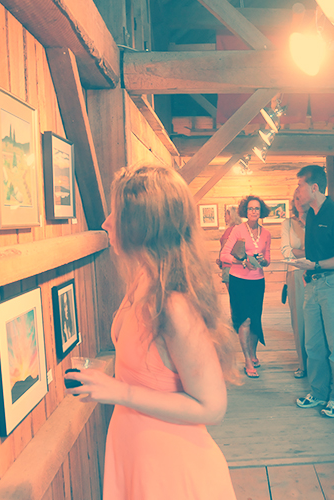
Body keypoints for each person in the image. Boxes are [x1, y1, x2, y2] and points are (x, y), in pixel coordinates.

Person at [65, 163, 237, 499]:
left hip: (170, 467)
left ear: (140, 225)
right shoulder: (143, 279)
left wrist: (118, 392)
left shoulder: (174, 305)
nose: (106, 223)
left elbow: (213, 406)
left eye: (115, 213)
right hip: (137, 448)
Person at [290, 165, 334, 418]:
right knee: (313, 345)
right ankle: (318, 393)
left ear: (314, 187)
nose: (297, 191)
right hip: (314, 284)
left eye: (300, 185)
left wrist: (315, 265)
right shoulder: (312, 215)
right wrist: (309, 269)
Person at [220, 195, 272, 378]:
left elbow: (268, 260)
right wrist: (241, 262)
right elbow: (223, 255)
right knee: (245, 320)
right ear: (245, 211)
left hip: (258, 281)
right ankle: (248, 361)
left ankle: (253, 353)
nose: (253, 211)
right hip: (238, 280)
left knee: (256, 320)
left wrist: (263, 261)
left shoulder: (266, 233)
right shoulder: (237, 230)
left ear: (261, 211)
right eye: (250, 208)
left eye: (257, 208)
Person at [281, 193, 308, 379]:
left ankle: (319, 364)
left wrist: (301, 253)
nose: (300, 202)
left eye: (302, 198)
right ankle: (303, 364)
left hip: (318, 272)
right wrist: (309, 253)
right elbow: (286, 251)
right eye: (296, 199)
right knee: (299, 321)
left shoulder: (316, 221)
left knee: (319, 322)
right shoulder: (287, 224)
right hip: (296, 273)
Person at [217, 206, 242, 290]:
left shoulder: (230, 230)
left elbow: (224, 248)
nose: (224, 218)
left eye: (226, 215)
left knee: (233, 296)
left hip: (228, 266)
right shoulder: (242, 229)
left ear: (232, 216)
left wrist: (220, 261)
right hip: (241, 266)